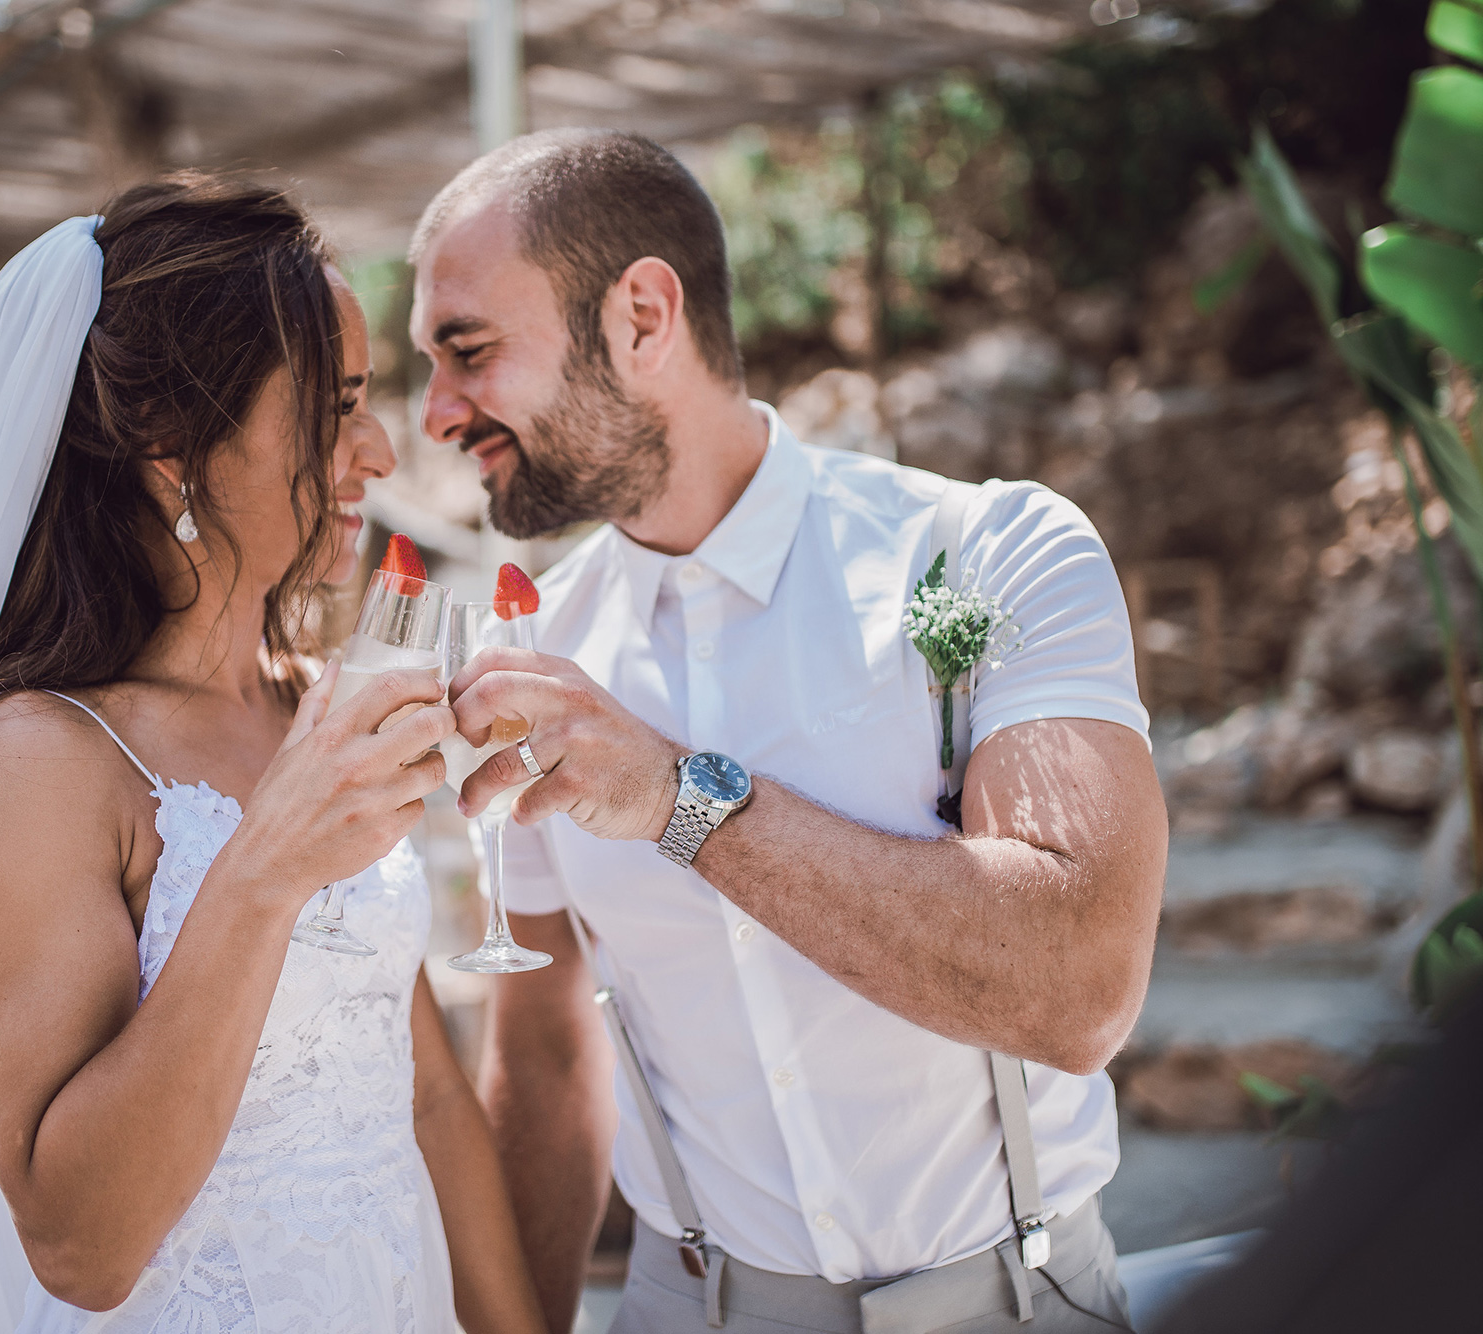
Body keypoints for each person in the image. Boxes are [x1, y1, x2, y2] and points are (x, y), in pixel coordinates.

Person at [412, 130, 1166, 1334]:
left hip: (1015, 1305)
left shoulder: (992, 553)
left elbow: (1076, 986)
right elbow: (547, 1058)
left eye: (467, 352)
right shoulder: (537, 657)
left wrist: (679, 800)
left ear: (641, 317)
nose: (437, 412)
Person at [0, 178, 545, 1334]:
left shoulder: (312, 703)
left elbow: (427, 1094)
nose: (380, 446)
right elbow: (80, 1244)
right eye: (336, 405)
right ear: (169, 442)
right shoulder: (28, 763)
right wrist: (266, 866)